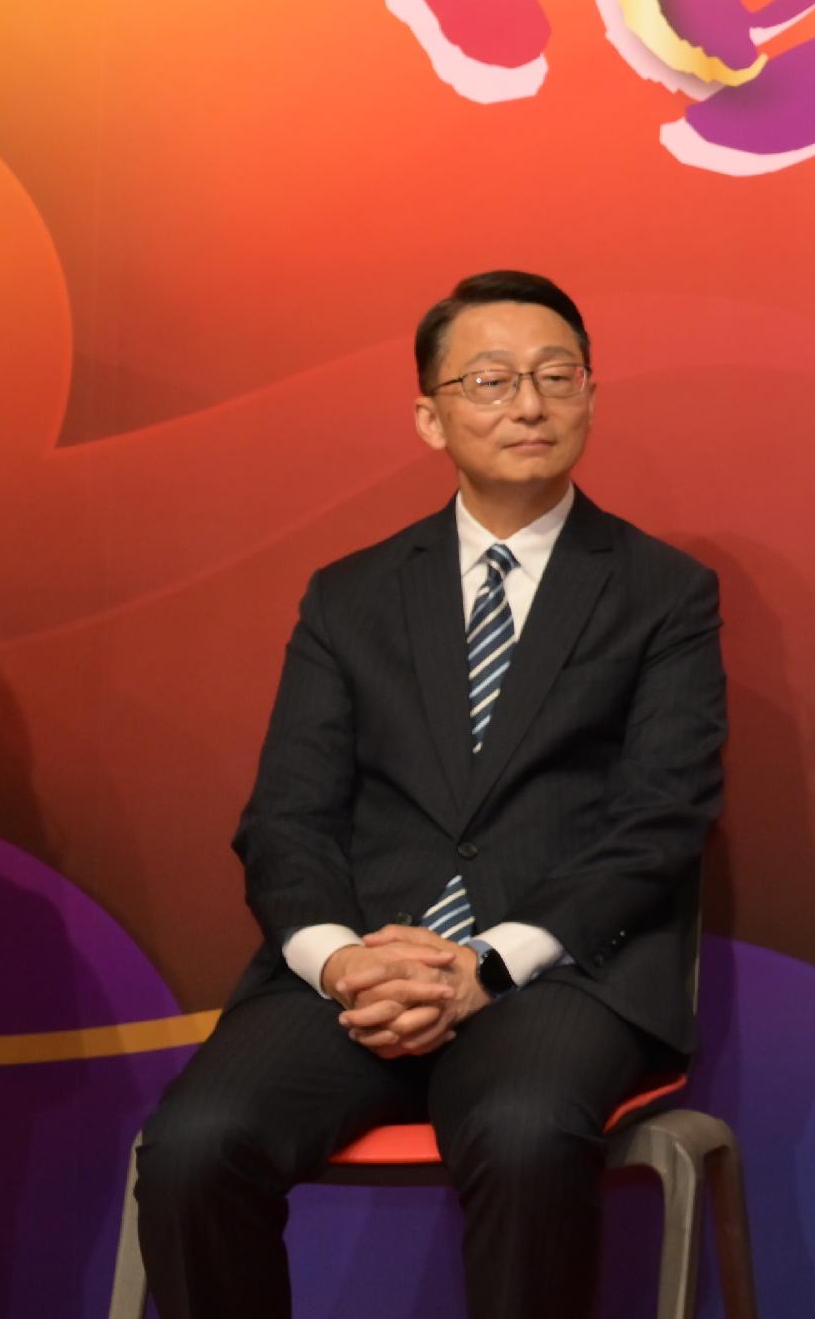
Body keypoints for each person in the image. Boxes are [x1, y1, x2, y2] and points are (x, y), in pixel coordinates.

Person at [135, 271, 726, 1319]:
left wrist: (486, 963)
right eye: (491, 381)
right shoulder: (353, 593)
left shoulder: (662, 589)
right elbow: (287, 817)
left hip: (557, 975)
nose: (529, 405)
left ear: (590, 394)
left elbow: (660, 819)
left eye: (556, 377)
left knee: (526, 1134)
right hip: (364, 966)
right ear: (431, 416)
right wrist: (344, 960)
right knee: (194, 1143)